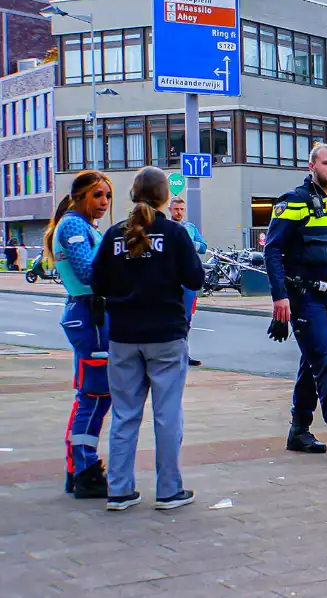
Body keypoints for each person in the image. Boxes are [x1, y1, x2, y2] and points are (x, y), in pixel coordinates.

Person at [91, 167, 205, 511]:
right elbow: (196, 279)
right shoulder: (173, 233)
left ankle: (120, 490)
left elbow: (97, 283)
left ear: (132, 196)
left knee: (125, 415)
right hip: (166, 334)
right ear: (164, 198)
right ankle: (169, 490)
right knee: (167, 414)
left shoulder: (114, 235)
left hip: (123, 336)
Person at [263, 143, 327, 462]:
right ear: (311, 166)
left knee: (313, 361)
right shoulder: (294, 201)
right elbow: (273, 250)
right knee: (324, 358)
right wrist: (280, 297)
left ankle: (299, 429)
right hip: (304, 297)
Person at [42, 171, 114, 499]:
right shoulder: (73, 225)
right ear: (80, 196)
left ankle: (80, 467)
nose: (104, 202)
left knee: (95, 393)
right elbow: (89, 272)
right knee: (94, 394)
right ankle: (83, 469)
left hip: (91, 313)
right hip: (91, 314)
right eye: (98, 195)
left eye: (107, 196)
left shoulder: (80, 226)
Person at [169, 197, 208, 367]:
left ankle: (184, 353)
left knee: (186, 318)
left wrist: (189, 243)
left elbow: (203, 246)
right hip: (170, 278)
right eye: (176, 209)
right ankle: (172, 353)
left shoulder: (190, 228)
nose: (179, 212)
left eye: (182, 209)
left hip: (187, 280)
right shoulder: (166, 227)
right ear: (170, 209)